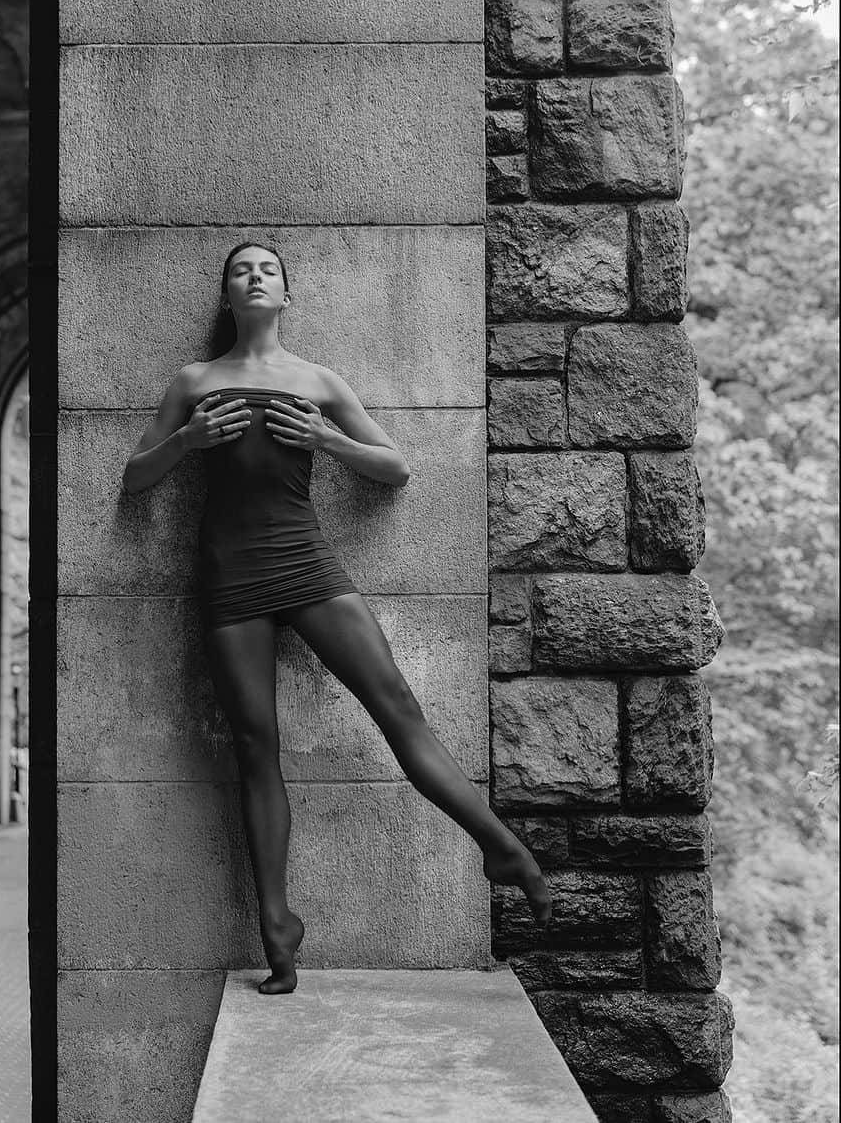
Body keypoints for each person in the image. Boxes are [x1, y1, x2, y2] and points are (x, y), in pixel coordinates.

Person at [121, 241, 552, 994]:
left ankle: (499, 846)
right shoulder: (195, 381)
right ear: (228, 296)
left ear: (286, 294)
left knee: (400, 710)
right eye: (240, 271)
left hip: (308, 565)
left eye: (267, 270)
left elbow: (396, 468)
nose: (254, 278)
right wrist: (187, 441)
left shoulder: (318, 381)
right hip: (229, 578)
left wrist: (326, 438)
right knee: (257, 749)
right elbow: (134, 480)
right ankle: (278, 927)